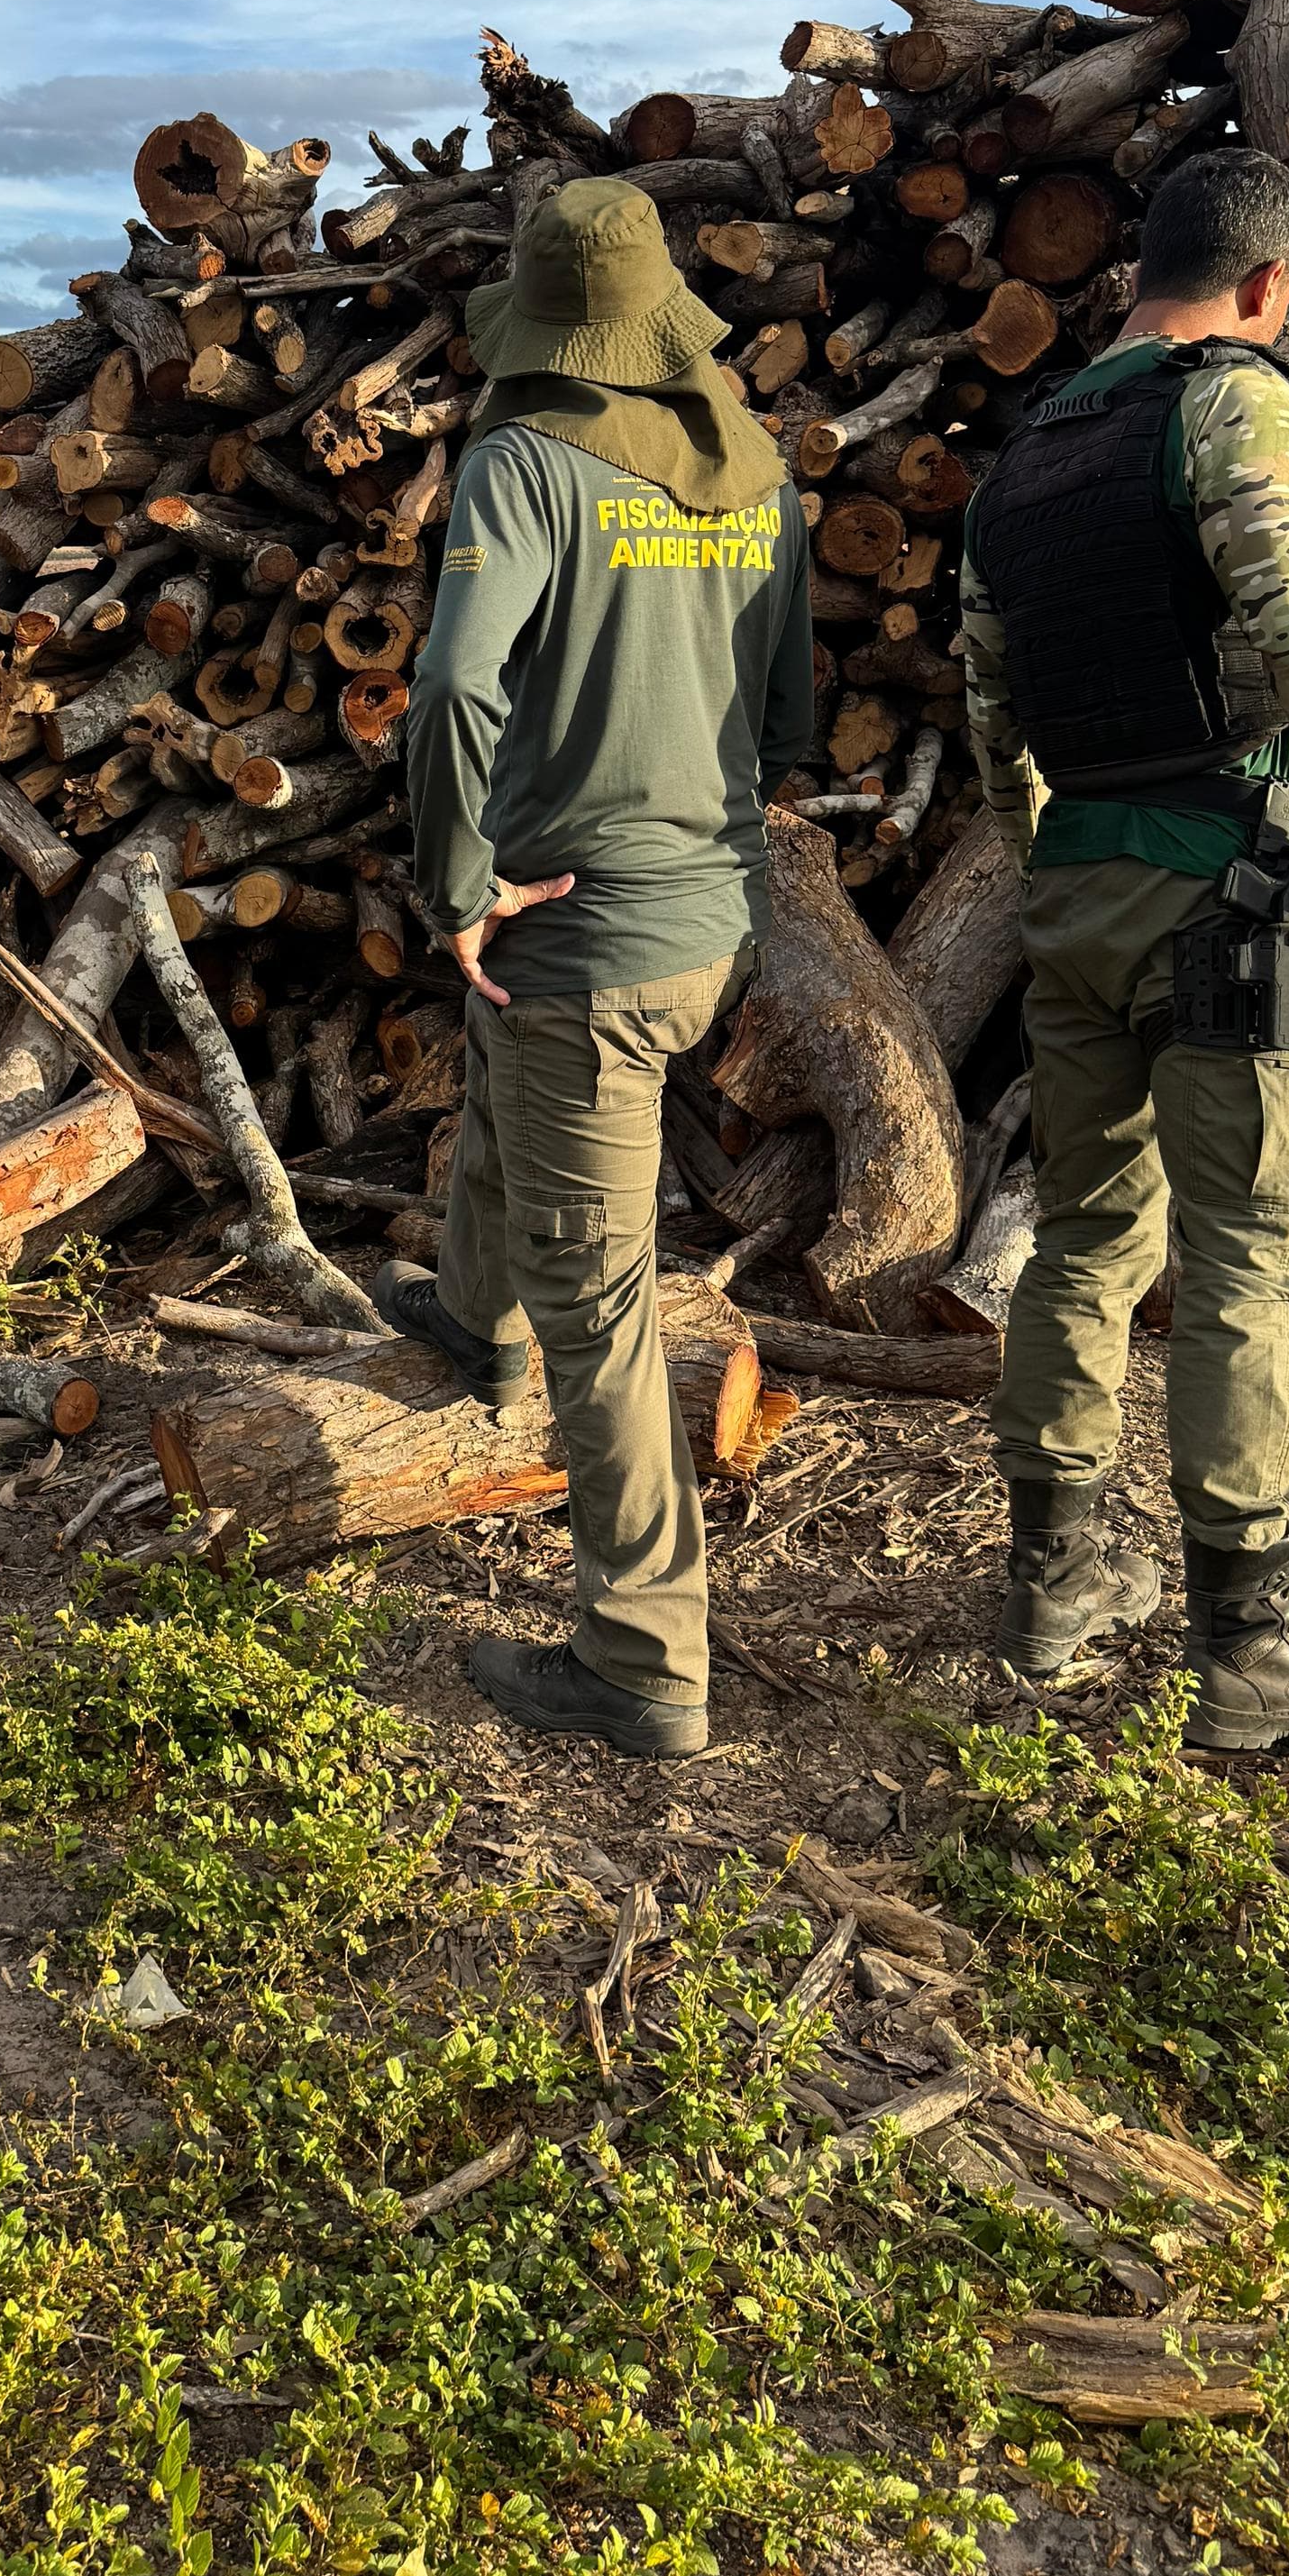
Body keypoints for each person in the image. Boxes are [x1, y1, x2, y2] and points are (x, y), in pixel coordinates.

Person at [960, 144, 1289, 1753]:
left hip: (1077, 884)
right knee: (1249, 1263)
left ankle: (1053, 1585)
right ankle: (1252, 1650)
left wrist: (1049, 858)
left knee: (1082, 1239)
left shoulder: (1024, 456)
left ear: (1144, 271)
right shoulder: (1238, 408)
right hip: (1234, 890)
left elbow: (991, 698)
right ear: (1268, 284)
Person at [393, 173, 815, 1762]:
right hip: (710, 919)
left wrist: (458, 884)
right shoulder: (753, 465)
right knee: (515, 1068)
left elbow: (452, 687)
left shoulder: (521, 463)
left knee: (605, 1292)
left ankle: (643, 1658)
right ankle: (474, 1313)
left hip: (588, 932)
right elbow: (787, 713)